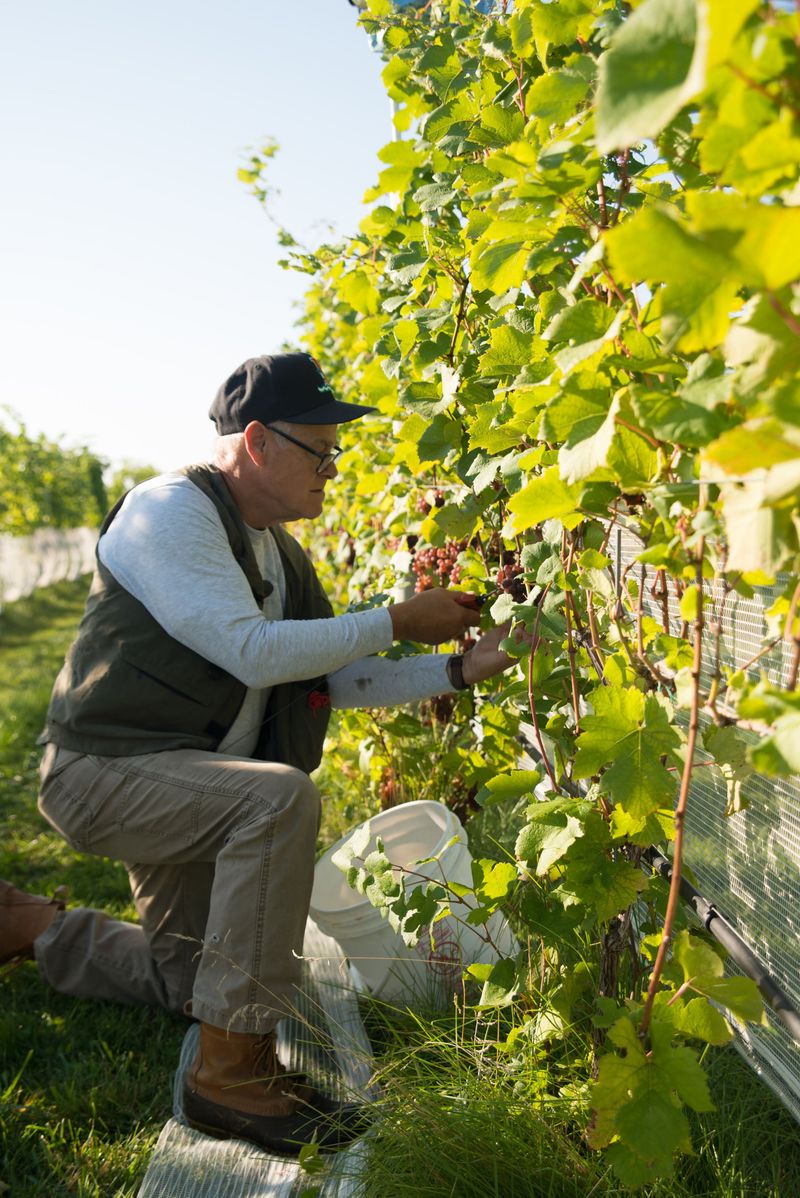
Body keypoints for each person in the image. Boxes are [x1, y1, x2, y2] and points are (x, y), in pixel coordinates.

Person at [0, 352, 521, 1156]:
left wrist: (455, 668)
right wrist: (394, 618)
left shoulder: (278, 550)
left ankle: (29, 927)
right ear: (256, 441)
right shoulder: (164, 512)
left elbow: (331, 676)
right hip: (100, 776)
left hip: (190, 785)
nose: (334, 470)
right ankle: (230, 1077)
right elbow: (250, 651)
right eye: (321, 451)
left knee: (192, 985)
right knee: (276, 798)